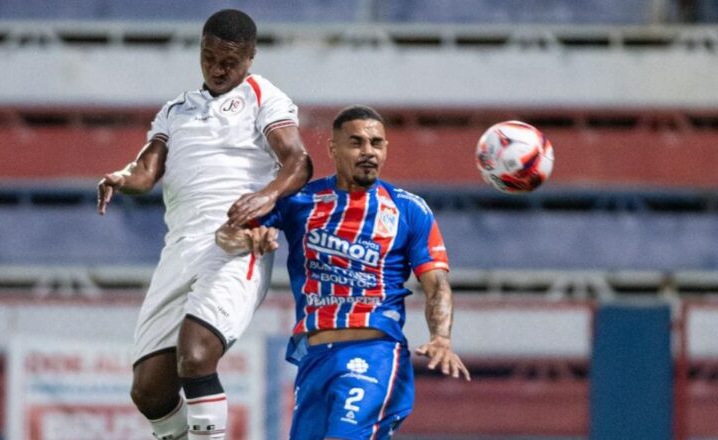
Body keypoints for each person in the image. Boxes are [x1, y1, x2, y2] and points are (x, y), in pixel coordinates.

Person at [97, 9, 312, 440]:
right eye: (209, 57)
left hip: (237, 244)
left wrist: (267, 194)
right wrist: (122, 178)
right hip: (180, 249)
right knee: (150, 392)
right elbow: (145, 170)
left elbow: (299, 162)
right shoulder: (176, 111)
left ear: (250, 58)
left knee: (195, 356)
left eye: (230, 61)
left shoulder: (262, 96)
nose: (218, 68)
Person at [217, 105, 470, 439]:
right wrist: (247, 237)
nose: (368, 152)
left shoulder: (408, 209)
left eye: (376, 143)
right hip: (315, 359)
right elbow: (225, 235)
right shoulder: (298, 200)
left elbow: (436, 284)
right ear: (333, 149)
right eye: (357, 142)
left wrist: (441, 337)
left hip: (374, 353)